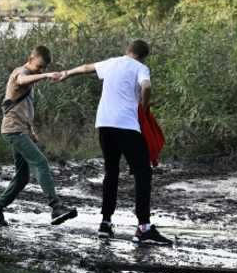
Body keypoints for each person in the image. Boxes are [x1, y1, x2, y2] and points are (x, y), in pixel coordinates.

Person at [58, 40, 172, 245]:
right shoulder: (140, 67)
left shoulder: (111, 62)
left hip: (104, 124)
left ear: (127, 50)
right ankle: (144, 228)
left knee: (111, 172)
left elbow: (86, 68)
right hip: (126, 125)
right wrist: (144, 106)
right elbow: (146, 86)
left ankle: (105, 223)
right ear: (143, 56)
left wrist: (67, 73)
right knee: (143, 172)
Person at [0, 45, 77, 228]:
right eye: (39, 66)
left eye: (44, 68)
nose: (41, 70)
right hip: (13, 131)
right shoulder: (20, 72)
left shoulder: (31, 80)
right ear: (30, 59)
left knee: (22, 178)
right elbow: (21, 79)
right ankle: (56, 206)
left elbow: (24, 109)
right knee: (41, 162)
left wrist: (31, 130)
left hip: (21, 130)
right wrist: (46, 75)